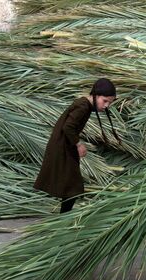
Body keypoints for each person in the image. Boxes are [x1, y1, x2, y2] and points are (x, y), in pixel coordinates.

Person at [34, 78, 119, 213]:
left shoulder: (86, 106)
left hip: (65, 145)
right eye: (105, 101)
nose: (106, 106)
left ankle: (64, 215)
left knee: (71, 185)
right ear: (95, 95)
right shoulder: (83, 106)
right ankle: (64, 217)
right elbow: (68, 127)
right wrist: (79, 144)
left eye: (110, 103)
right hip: (63, 147)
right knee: (73, 186)